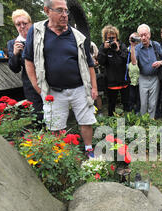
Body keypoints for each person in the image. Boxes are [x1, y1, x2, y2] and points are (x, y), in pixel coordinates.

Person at [24, 0, 98, 158]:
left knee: (86, 120)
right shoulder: (36, 31)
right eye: (60, 11)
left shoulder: (77, 36)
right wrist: (37, 87)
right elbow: (29, 60)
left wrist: (94, 87)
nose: (65, 15)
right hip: (53, 90)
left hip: (79, 88)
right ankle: (62, 155)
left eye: (66, 11)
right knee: (55, 125)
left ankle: (89, 149)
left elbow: (89, 63)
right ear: (47, 11)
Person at [7, 9, 44, 125]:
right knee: (38, 115)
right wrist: (15, 54)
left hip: (47, 78)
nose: (22, 26)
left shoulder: (40, 38)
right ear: (15, 26)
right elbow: (14, 68)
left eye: (25, 23)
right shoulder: (12, 43)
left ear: (31, 23)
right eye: (18, 24)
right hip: (30, 85)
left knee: (54, 110)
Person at [131, 24, 162, 119]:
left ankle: (151, 121)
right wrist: (132, 46)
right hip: (143, 78)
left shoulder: (156, 45)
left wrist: (160, 62)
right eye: (141, 35)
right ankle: (143, 122)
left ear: (149, 35)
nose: (143, 37)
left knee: (153, 103)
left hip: (155, 78)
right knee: (143, 103)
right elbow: (134, 63)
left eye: (145, 35)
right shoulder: (137, 48)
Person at [97, 25, 130, 116]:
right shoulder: (103, 47)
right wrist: (104, 49)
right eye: (109, 38)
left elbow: (127, 59)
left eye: (113, 37)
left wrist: (118, 50)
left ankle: (126, 122)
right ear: (105, 38)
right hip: (111, 82)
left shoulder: (121, 45)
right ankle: (111, 122)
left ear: (117, 37)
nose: (112, 40)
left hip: (124, 81)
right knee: (111, 105)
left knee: (126, 104)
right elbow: (100, 62)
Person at [128, 33, 141, 113]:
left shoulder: (141, 48)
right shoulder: (128, 49)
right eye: (131, 38)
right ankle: (131, 111)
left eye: (134, 38)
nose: (132, 40)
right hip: (131, 77)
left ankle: (138, 111)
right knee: (131, 96)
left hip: (140, 77)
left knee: (139, 96)